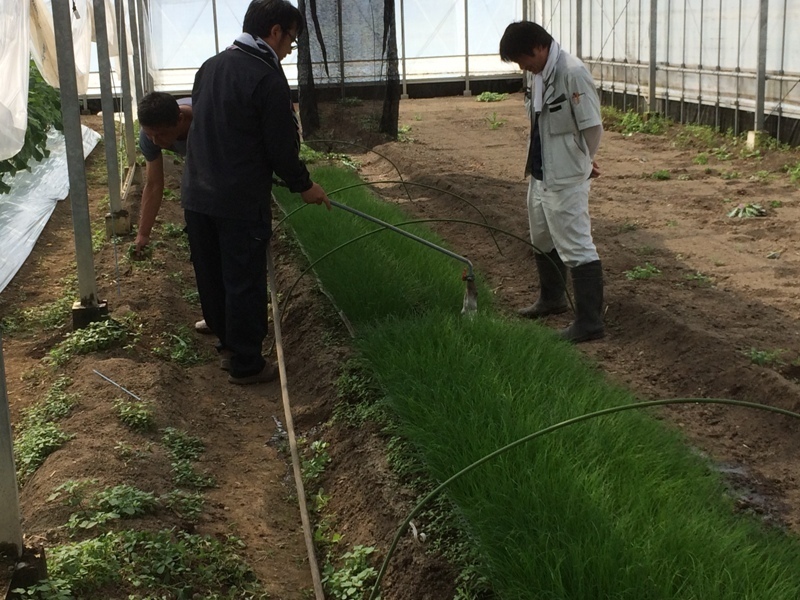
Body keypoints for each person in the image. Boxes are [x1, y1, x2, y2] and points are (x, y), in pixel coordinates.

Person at [181, 0, 331, 384]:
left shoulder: (209, 67)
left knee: (210, 273)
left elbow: (218, 128)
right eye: (291, 41)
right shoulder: (266, 76)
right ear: (275, 32)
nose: (288, 50)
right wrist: (304, 185)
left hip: (197, 193)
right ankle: (246, 364)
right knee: (244, 279)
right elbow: (281, 147)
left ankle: (227, 341)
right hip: (238, 198)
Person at [499, 21, 605, 343]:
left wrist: (583, 160)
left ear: (539, 48)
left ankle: (590, 324)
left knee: (576, 246)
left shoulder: (572, 72)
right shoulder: (538, 74)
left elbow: (592, 126)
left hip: (566, 176)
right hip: (542, 171)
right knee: (542, 237)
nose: (522, 67)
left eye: (522, 59)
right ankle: (552, 299)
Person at [137, 92, 212, 335]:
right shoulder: (151, 136)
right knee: (204, 257)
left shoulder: (208, 120)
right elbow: (154, 184)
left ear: (180, 120)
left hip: (223, 171)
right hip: (201, 185)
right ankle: (215, 317)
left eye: (161, 135)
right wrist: (143, 234)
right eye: (150, 134)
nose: (156, 141)